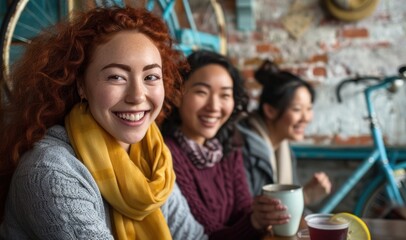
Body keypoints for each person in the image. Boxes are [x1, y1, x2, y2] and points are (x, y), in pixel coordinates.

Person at [0, 7, 207, 240]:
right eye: (116, 77)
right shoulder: (50, 172)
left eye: (151, 77)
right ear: (81, 85)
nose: (137, 96)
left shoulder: (152, 157)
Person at [161, 50, 290, 240]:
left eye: (225, 95)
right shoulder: (166, 155)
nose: (214, 106)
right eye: (202, 92)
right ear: (177, 95)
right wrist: (254, 223)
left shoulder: (227, 146)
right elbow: (206, 235)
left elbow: (243, 210)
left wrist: (261, 214)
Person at [236, 60, 332, 206]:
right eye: (297, 109)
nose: (306, 118)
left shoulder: (284, 149)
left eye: (309, 108)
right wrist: (304, 197)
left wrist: (304, 197)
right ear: (270, 111)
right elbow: (248, 213)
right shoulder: (242, 148)